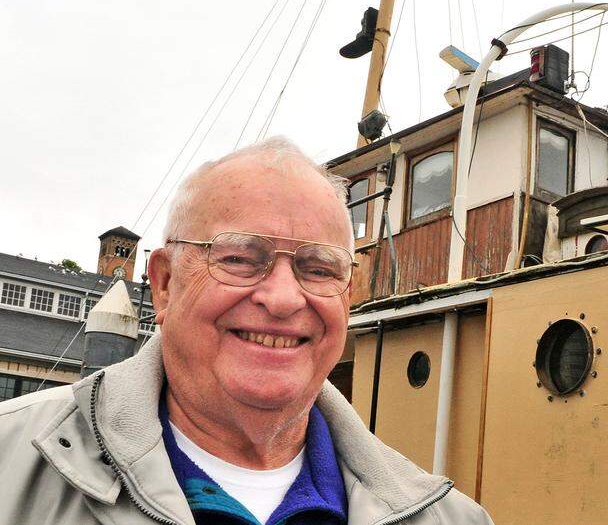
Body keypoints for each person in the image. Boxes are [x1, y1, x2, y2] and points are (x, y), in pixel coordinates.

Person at [0, 138, 493, 525]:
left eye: (319, 268)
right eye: (238, 258)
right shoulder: (11, 465)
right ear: (166, 284)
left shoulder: (448, 518)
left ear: (346, 296)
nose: (282, 299)